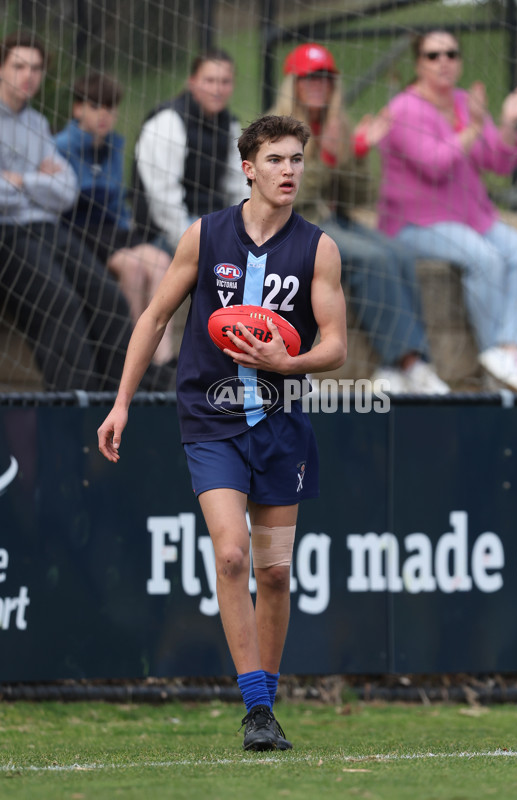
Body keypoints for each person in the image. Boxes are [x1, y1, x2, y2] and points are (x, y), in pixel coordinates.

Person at [98, 115, 347, 750]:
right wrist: (121, 402)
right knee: (232, 553)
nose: (289, 171)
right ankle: (258, 711)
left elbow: (337, 346)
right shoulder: (206, 236)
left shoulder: (318, 247)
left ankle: (268, 699)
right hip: (209, 417)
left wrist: (289, 364)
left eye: (296, 159)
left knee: (275, 574)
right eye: (275, 160)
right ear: (248, 167)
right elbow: (154, 317)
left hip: (282, 424)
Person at [376, 30, 517, 394]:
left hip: (472, 216)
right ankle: (494, 360)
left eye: (451, 54)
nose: (443, 62)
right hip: (415, 221)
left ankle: (511, 352)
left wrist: (507, 124)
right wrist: (473, 127)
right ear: (418, 62)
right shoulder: (403, 108)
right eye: (433, 55)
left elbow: (496, 162)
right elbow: (435, 164)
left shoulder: (460, 101)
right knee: (486, 259)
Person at [270, 42, 448, 395]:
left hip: (336, 220)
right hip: (293, 226)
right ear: (294, 84)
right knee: (373, 259)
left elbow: (360, 196)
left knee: (399, 253)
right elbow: (291, 198)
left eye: (326, 78)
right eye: (310, 79)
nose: (319, 85)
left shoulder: (336, 123)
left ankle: (404, 365)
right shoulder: (279, 130)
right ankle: (407, 362)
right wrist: (329, 159)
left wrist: (358, 154)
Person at [0, 32, 174, 392]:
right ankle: (73, 404)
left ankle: (126, 392)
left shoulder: (36, 123)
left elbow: (64, 191)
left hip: (48, 228)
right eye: (18, 66)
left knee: (107, 299)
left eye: (35, 67)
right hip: (10, 232)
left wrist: (20, 181)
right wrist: (37, 184)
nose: (28, 75)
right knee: (60, 304)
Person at [55, 72, 175, 365]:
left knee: (160, 261)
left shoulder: (114, 145)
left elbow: (115, 200)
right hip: (79, 231)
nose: (104, 115)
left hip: (114, 230)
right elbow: (70, 197)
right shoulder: (61, 146)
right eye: (96, 106)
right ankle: (134, 358)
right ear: (78, 108)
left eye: (110, 107)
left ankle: (164, 358)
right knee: (132, 267)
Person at [131, 48, 248, 254]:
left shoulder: (229, 124)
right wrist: (193, 247)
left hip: (213, 222)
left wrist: (246, 227)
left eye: (225, 82)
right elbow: (163, 199)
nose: (217, 89)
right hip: (163, 234)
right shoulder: (167, 122)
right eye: (209, 81)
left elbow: (238, 184)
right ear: (192, 82)